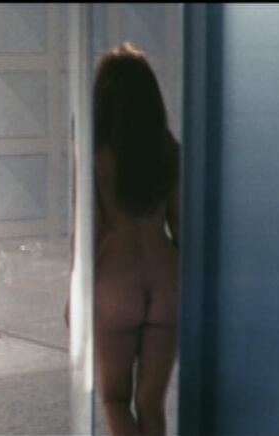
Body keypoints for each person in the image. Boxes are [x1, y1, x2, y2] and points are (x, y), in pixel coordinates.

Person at [91, 42, 181, 435]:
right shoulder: (169, 149)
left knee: (115, 399)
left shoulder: (96, 153)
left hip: (117, 276)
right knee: (151, 404)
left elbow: (91, 230)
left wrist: (75, 294)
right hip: (166, 277)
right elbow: (182, 228)